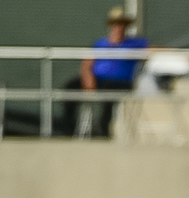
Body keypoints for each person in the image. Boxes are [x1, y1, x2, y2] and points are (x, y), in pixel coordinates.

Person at [63, 7, 149, 137]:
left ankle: (104, 128)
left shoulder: (135, 43)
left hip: (121, 82)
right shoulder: (100, 43)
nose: (119, 27)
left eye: (122, 24)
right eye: (116, 24)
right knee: (71, 86)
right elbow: (87, 63)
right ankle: (68, 128)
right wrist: (89, 81)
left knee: (110, 91)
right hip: (99, 80)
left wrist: (175, 53)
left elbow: (153, 49)